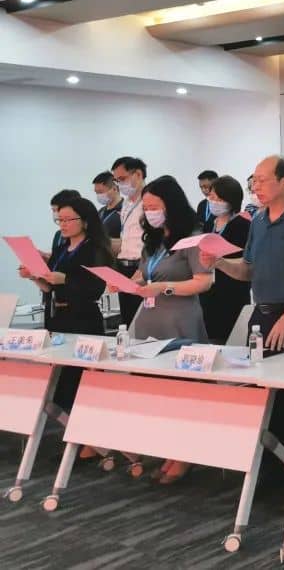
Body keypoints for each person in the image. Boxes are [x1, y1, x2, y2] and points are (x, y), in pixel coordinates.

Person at [201, 155, 284, 461]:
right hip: (262, 315)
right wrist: (220, 263)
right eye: (254, 181)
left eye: (262, 180)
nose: (255, 187)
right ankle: (267, 466)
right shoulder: (257, 221)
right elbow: (248, 270)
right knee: (263, 394)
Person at [126, 175, 213, 485]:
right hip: (149, 322)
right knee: (156, 393)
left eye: (155, 206)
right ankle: (167, 450)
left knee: (181, 392)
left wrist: (164, 288)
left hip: (179, 320)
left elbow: (204, 281)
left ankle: (183, 456)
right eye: (146, 207)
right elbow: (144, 273)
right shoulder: (153, 239)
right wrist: (127, 283)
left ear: (171, 205)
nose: (149, 212)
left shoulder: (192, 238)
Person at [19, 197, 113, 415]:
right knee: (58, 380)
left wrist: (66, 279)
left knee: (79, 379)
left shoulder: (94, 249)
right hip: (58, 317)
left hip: (83, 318)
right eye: (59, 220)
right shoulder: (61, 248)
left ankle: (86, 429)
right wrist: (34, 276)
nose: (62, 224)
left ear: (85, 221)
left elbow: (95, 288)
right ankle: (66, 427)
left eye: (68, 220)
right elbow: (49, 287)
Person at [199, 175, 252, 343]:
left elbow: (247, 260)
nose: (214, 201)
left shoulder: (243, 224)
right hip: (210, 290)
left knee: (232, 338)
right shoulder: (210, 223)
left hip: (233, 291)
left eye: (219, 199)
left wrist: (221, 261)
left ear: (231, 200)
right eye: (212, 197)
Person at [111, 156, 147, 326]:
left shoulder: (150, 201)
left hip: (141, 267)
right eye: (117, 181)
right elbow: (126, 238)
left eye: (122, 179)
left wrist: (143, 268)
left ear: (138, 174)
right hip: (123, 266)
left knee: (142, 322)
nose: (120, 184)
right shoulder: (126, 203)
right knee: (127, 321)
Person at [92, 172, 123, 240]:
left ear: (114, 189)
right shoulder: (100, 212)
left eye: (101, 192)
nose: (99, 196)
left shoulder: (125, 210)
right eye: (96, 193)